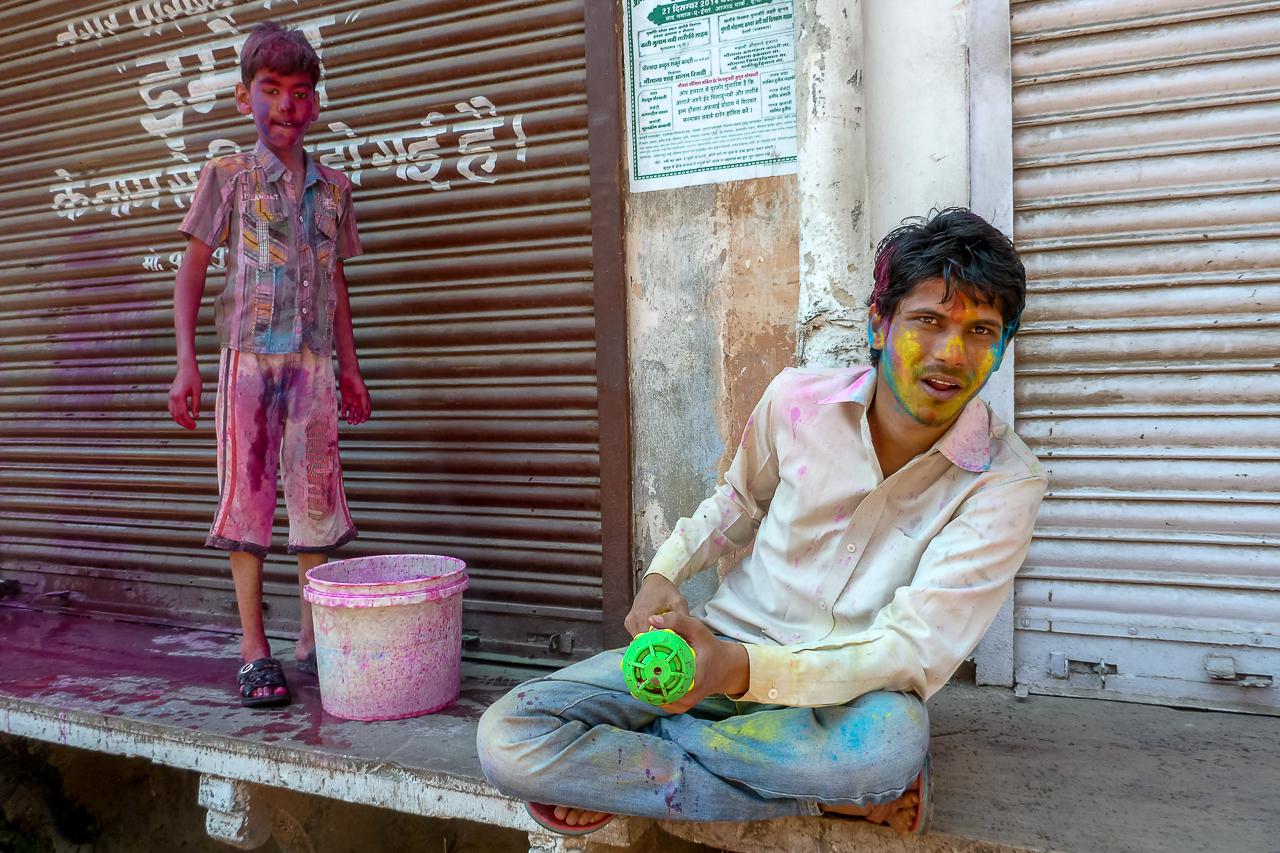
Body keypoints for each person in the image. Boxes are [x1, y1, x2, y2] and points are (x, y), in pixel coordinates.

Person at [476, 208, 1047, 836]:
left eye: (981, 331)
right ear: (879, 324)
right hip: (720, 643)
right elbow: (738, 502)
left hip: (845, 695)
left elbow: (910, 650)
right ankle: (820, 794)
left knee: (888, 748)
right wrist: (665, 573)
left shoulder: (1004, 483)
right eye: (928, 321)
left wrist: (734, 671)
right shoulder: (796, 401)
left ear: (1001, 348)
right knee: (509, 737)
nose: (951, 353)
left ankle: (630, 766)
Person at [166, 22, 370, 708]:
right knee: (246, 501)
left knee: (316, 497)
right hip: (248, 362)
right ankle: (254, 648)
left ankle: (313, 638)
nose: (288, 105)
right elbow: (193, 269)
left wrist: (349, 367)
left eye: (301, 91)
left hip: (313, 364)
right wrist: (187, 363)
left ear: (317, 103)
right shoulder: (226, 177)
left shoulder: (334, 189)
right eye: (271, 89)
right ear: (242, 97)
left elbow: (336, 283)